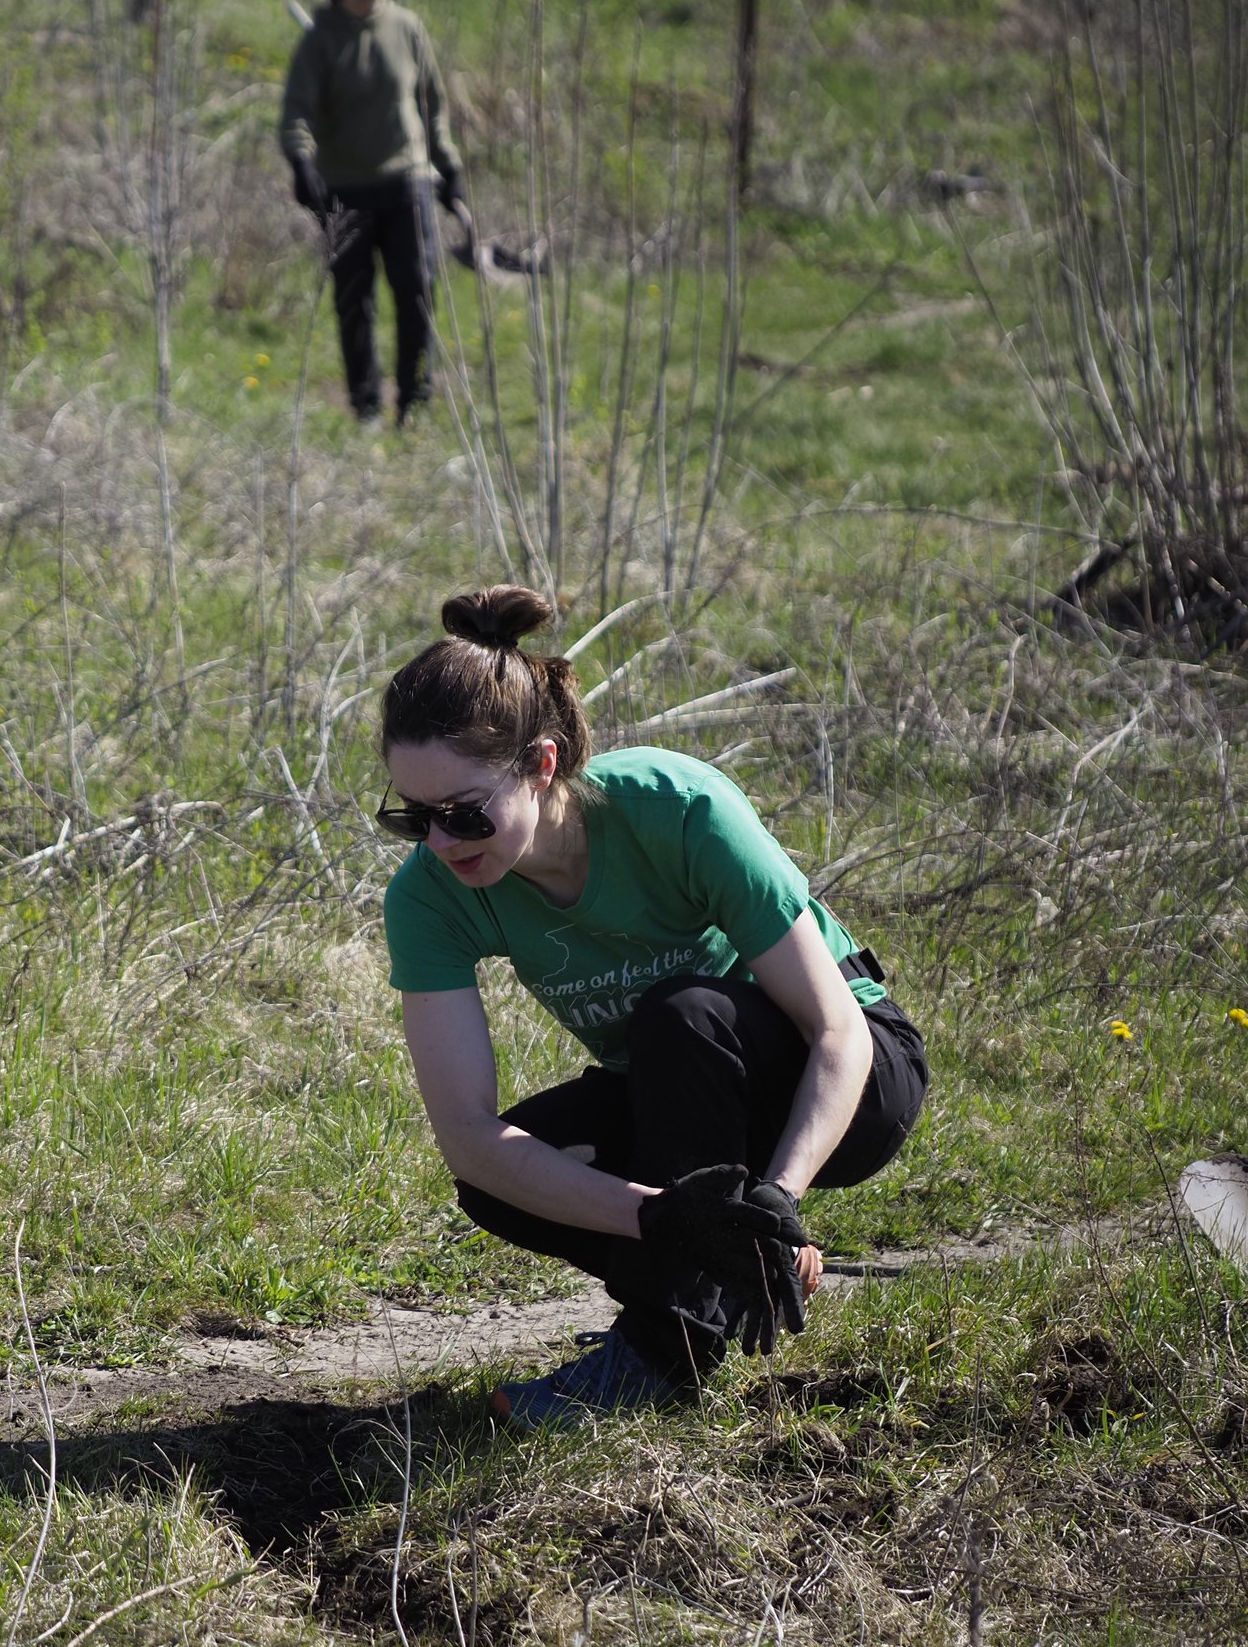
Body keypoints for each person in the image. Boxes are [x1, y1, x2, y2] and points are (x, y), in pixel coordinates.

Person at [375, 586, 929, 1428]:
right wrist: (668, 1218)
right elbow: (470, 1137)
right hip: (686, 1103)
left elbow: (837, 1033)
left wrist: (773, 1200)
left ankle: (667, 1352)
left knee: (682, 1014)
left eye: (463, 812)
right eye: (415, 817)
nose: (442, 842)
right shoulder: (430, 897)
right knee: (511, 1178)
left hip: (850, 1078)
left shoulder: (677, 808)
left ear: (544, 763)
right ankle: (722, 1286)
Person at [279, 0, 467, 430]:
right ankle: (366, 408)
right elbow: (296, 111)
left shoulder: (407, 29)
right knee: (353, 303)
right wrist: (302, 164)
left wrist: (450, 169)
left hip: (409, 185)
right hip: (346, 190)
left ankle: (416, 401)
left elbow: (433, 106)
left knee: (417, 292)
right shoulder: (320, 39)